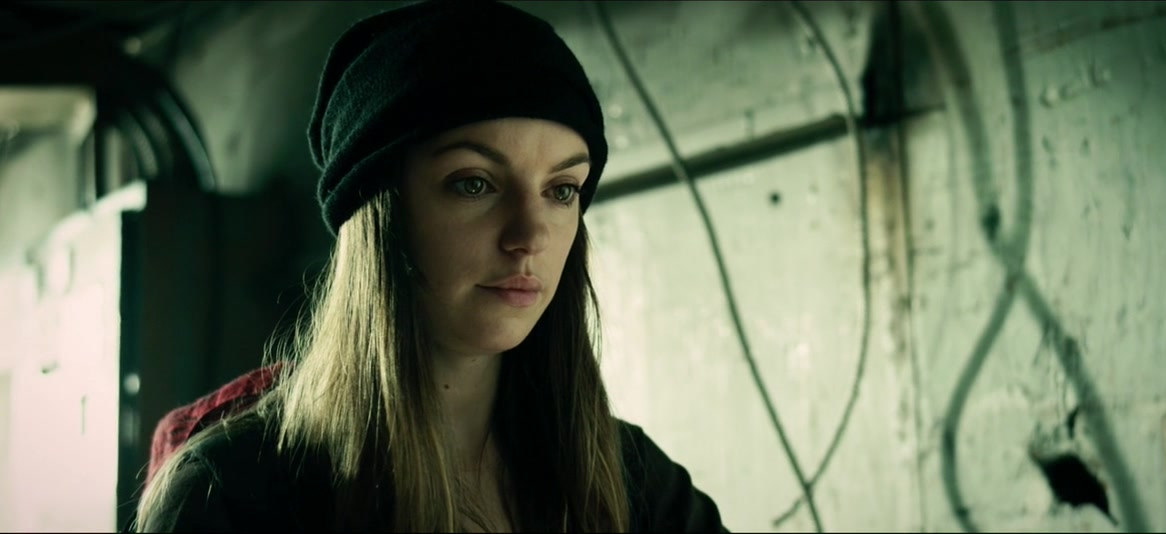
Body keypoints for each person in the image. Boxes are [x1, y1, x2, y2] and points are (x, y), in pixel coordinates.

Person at [133, 0, 726, 532]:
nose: (530, 236)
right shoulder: (233, 497)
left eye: (562, 190)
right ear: (380, 217)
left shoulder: (634, 483)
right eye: (475, 183)